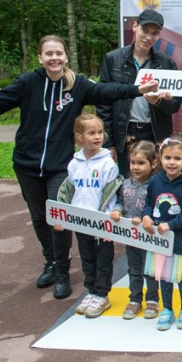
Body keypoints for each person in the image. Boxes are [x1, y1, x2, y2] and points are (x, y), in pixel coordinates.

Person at [0, 35, 158, 300]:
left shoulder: (78, 85)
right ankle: (51, 262)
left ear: (66, 57)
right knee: (39, 217)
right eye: (49, 54)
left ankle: (63, 271)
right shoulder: (27, 83)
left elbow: (106, 90)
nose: (54, 58)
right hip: (26, 163)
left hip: (59, 165)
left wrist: (137, 90)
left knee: (59, 216)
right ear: (40, 58)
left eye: (59, 53)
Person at [97, 9, 182, 177]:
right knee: (127, 182)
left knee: (157, 183)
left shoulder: (167, 64)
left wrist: (158, 102)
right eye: (145, 30)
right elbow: (104, 102)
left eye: (155, 33)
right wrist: (108, 143)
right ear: (135, 27)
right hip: (124, 132)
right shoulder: (113, 59)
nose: (148, 37)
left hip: (155, 132)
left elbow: (175, 105)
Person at [54, 114, 121, 318]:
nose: (97, 136)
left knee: (103, 259)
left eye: (100, 132)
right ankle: (91, 291)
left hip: (102, 224)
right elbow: (68, 191)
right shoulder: (74, 164)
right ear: (79, 137)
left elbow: (113, 193)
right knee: (87, 258)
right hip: (81, 221)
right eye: (91, 133)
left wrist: (110, 217)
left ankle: (102, 295)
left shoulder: (108, 164)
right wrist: (61, 216)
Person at [142, 136, 182, 331]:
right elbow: (149, 204)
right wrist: (146, 216)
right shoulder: (155, 181)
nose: (172, 162)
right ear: (160, 158)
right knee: (164, 277)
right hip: (160, 242)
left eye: (177, 158)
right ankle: (167, 309)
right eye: (167, 157)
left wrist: (171, 224)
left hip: (181, 240)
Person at [110, 140, 160, 320]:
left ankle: (153, 300)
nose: (135, 167)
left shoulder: (156, 185)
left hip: (150, 237)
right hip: (131, 237)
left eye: (141, 163)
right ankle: (135, 300)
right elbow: (121, 202)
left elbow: (159, 208)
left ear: (153, 163)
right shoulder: (125, 184)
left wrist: (150, 220)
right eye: (133, 163)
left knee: (150, 270)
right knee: (134, 268)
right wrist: (116, 210)